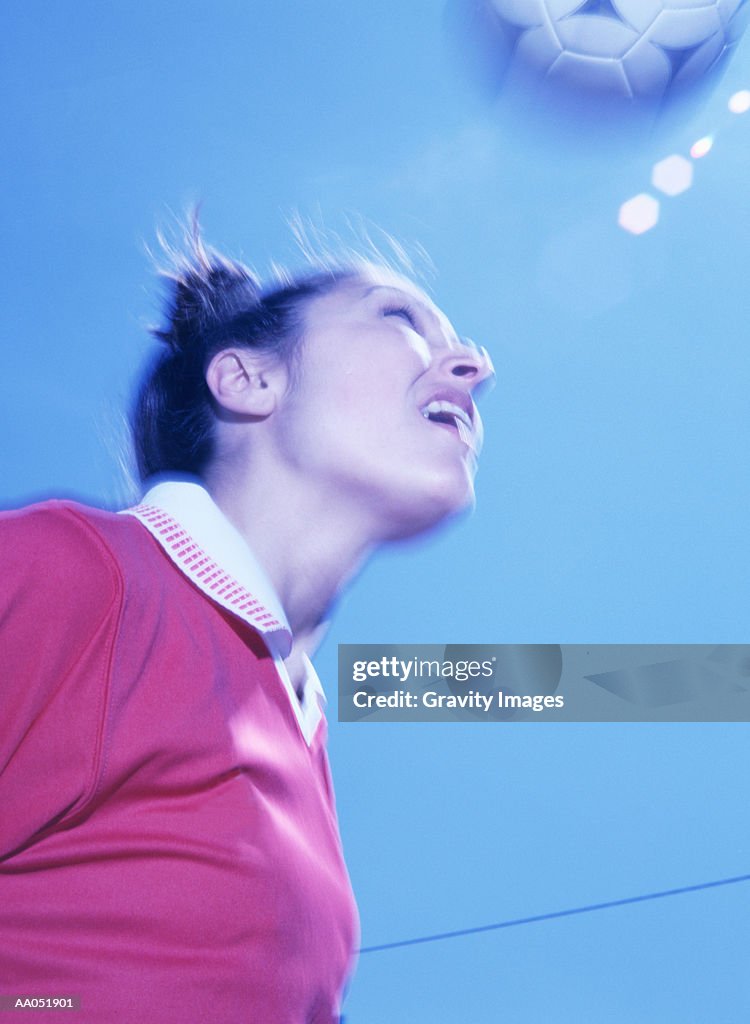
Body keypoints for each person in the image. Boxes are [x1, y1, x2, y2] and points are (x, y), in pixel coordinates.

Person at [0, 224, 493, 1022]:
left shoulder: (305, 752)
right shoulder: (81, 576)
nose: (476, 366)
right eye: (399, 319)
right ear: (247, 380)